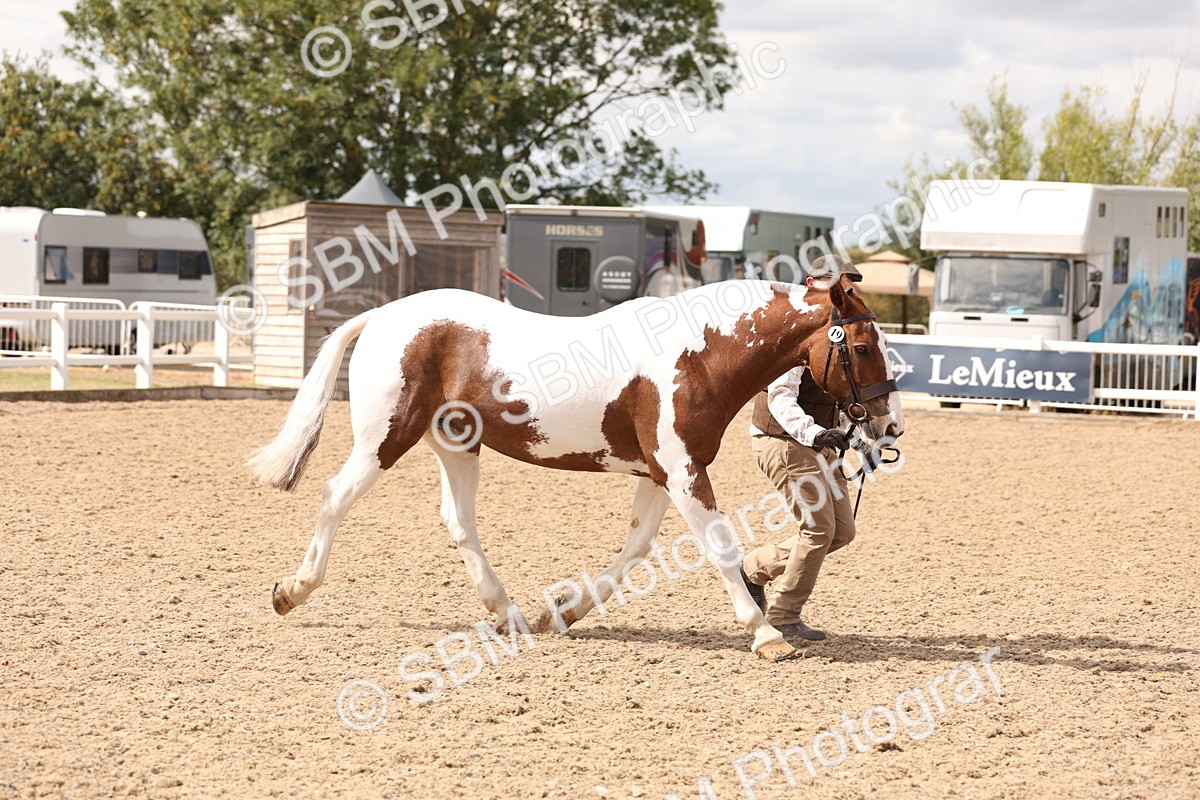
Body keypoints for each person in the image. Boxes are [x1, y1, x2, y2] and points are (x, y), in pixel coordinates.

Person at [741, 254, 863, 642]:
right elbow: (779, 395)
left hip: (818, 442)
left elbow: (839, 396)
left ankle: (753, 568)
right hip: (783, 440)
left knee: (842, 532)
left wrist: (851, 435)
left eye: (851, 285)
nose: (850, 292)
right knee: (817, 529)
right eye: (842, 284)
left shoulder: (835, 330)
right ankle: (783, 616)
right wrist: (813, 434)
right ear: (814, 284)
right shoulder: (792, 328)